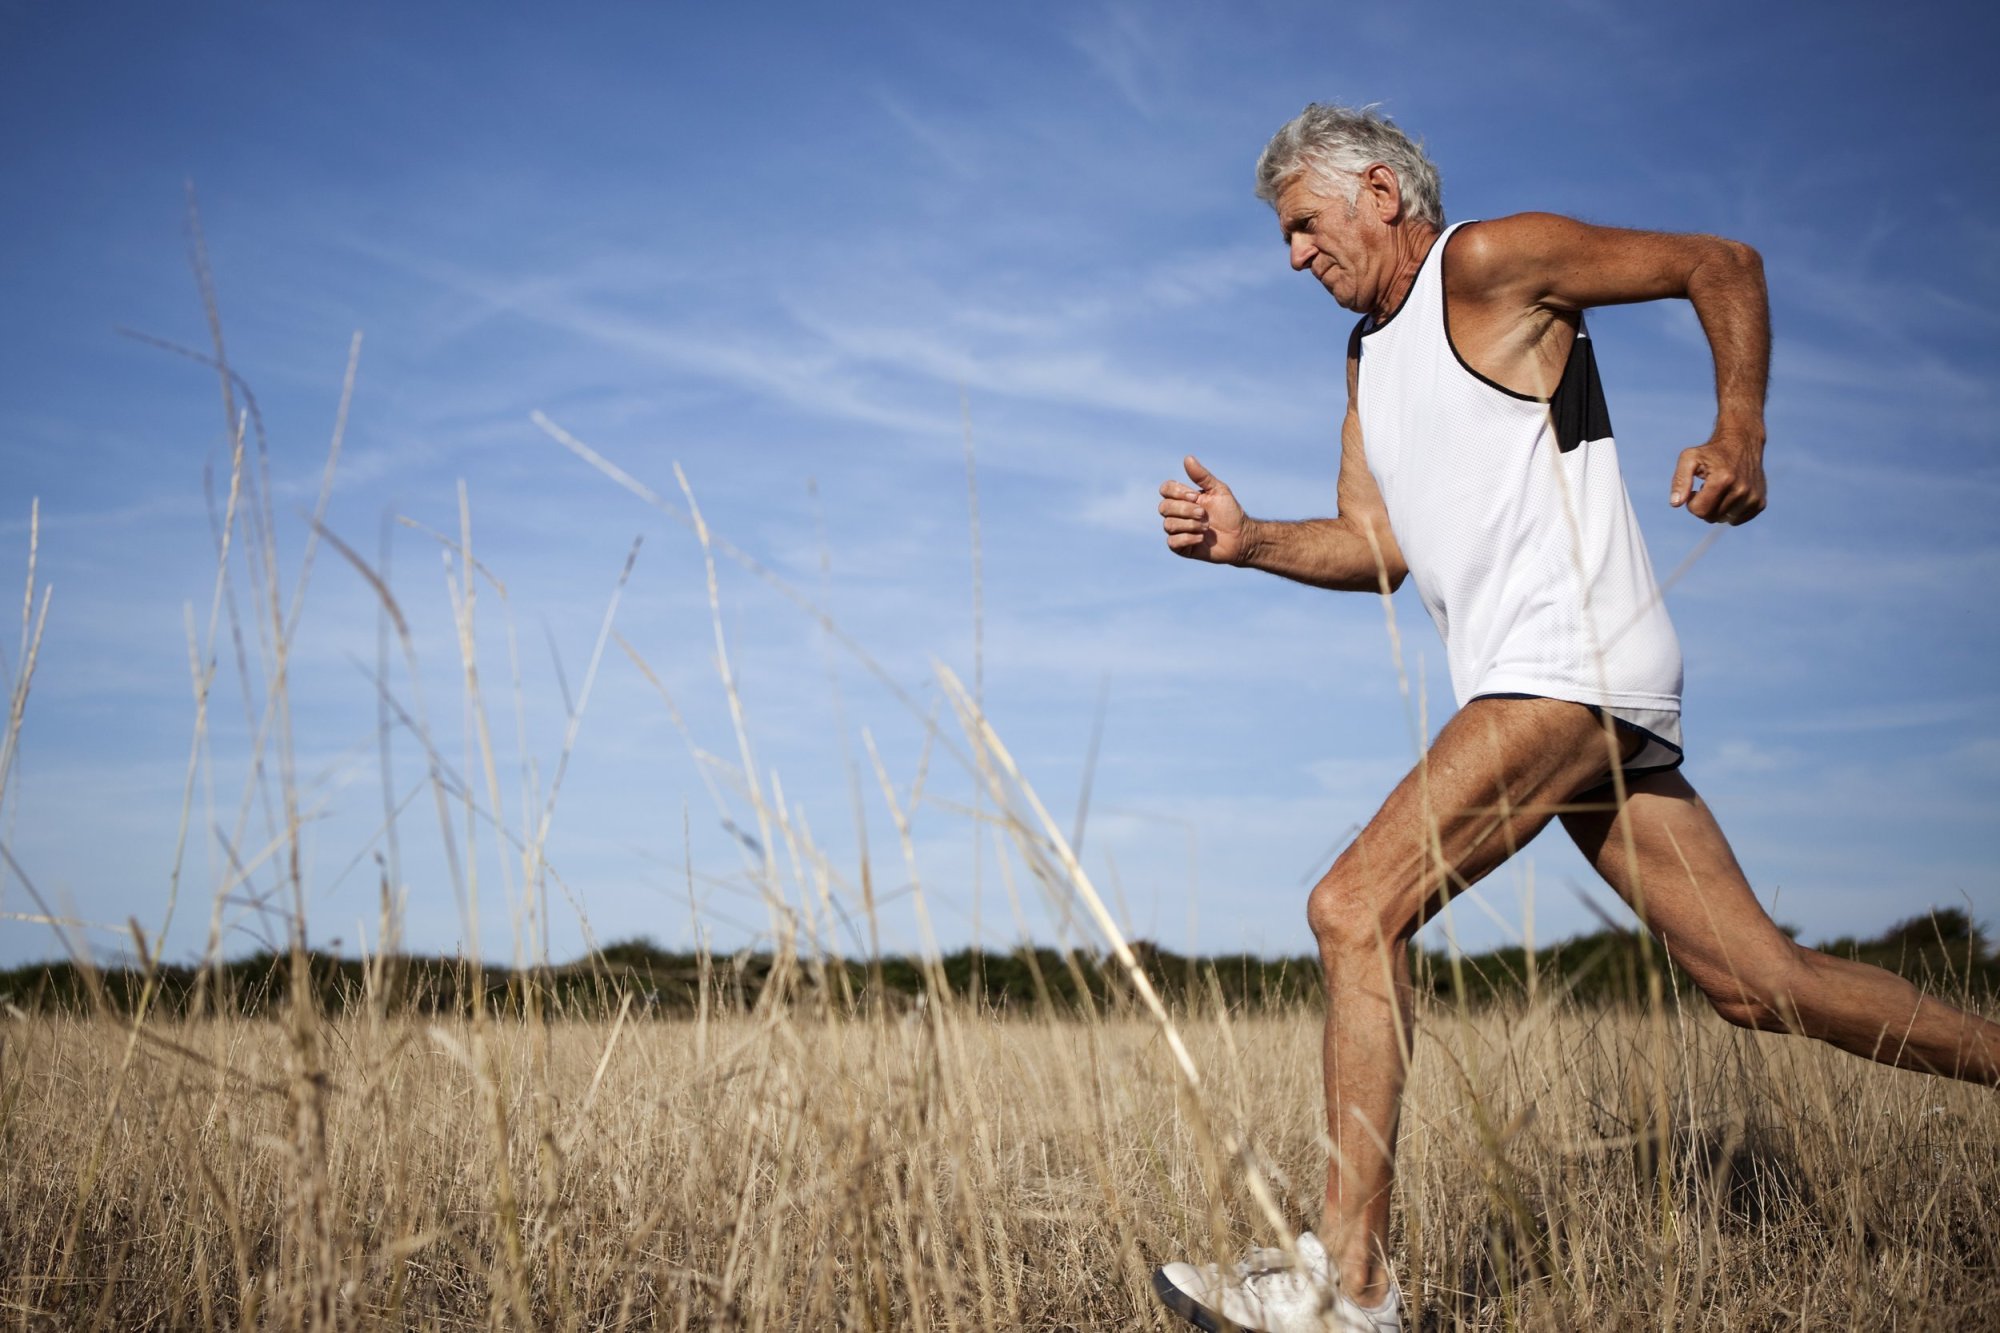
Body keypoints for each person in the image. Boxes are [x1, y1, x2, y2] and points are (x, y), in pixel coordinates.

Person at [1149, 103, 2000, 1333]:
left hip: (1563, 666)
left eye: (1301, 225)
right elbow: (1377, 547)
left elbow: (1722, 264)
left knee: (1352, 906)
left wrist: (1738, 428)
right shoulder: (1364, 356)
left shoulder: (1490, 263)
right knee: (1755, 983)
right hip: (1546, 689)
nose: (1292, 257)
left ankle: (1349, 1289)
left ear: (1379, 190)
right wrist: (1249, 543)